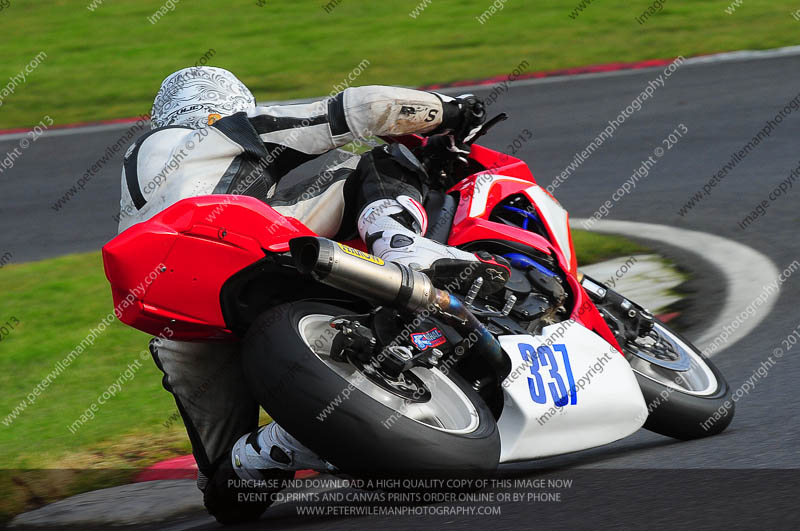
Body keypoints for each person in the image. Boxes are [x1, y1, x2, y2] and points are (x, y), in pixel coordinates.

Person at [117, 66, 506, 523]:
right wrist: (449, 111)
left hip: (176, 317)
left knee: (230, 496)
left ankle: (272, 449)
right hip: (229, 246)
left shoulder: (135, 168)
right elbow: (356, 110)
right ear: (228, 104)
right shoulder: (221, 131)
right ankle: (407, 251)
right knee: (373, 161)